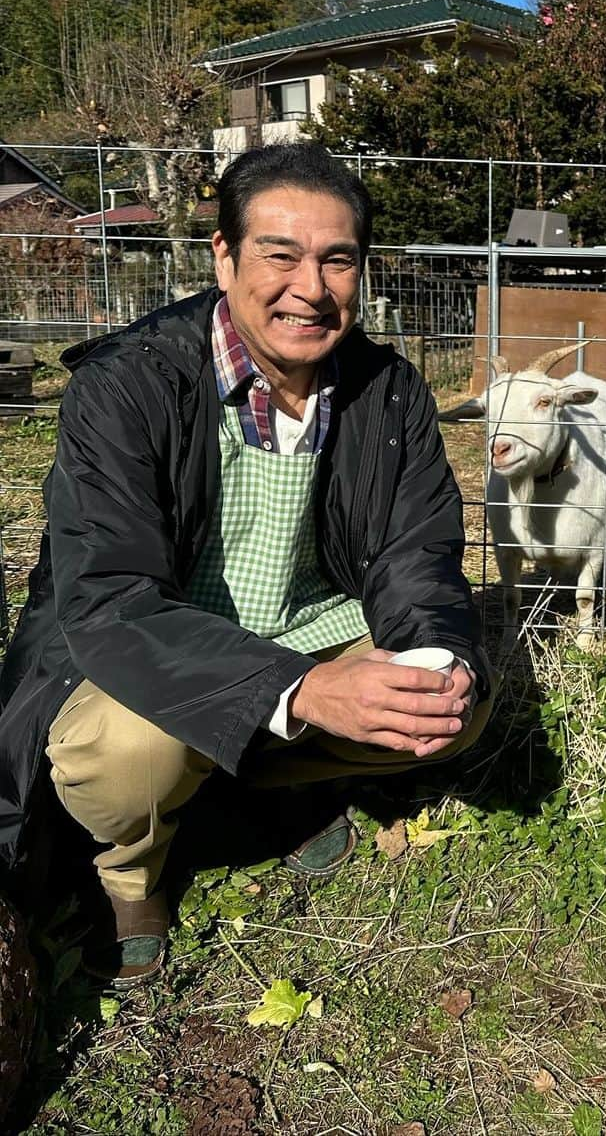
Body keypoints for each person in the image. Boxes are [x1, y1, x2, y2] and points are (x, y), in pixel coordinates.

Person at [0, 142, 493, 985]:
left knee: (450, 705)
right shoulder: (127, 386)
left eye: (338, 260)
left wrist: (437, 656)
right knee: (122, 754)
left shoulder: (389, 392)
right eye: (280, 254)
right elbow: (111, 599)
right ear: (223, 257)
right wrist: (298, 691)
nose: (310, 287)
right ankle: (131, 876)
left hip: (309, 627)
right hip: (159, 644)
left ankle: (260, 790)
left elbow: (418, 553)